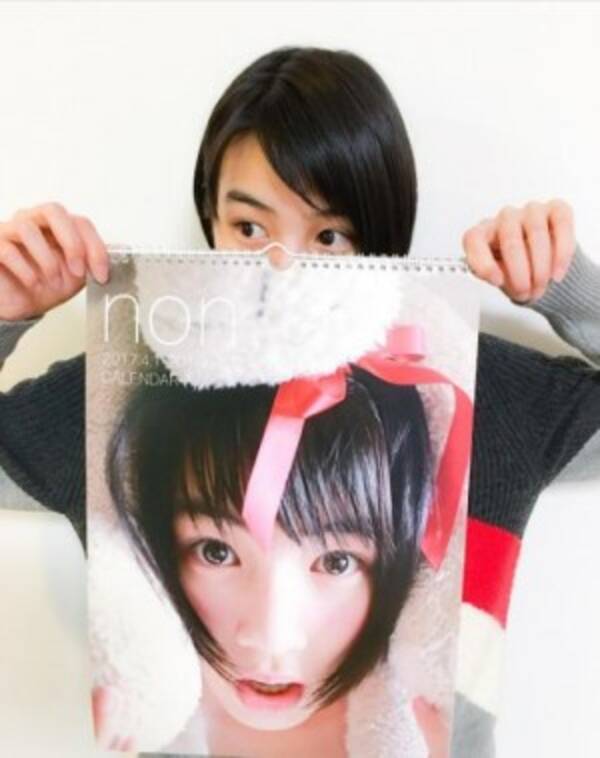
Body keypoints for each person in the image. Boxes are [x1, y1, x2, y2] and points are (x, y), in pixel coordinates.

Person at [1, 46, 599, 757]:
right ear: (209, 217)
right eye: (249, 228)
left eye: (330, 235)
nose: (280, 267)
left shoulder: (472, 389)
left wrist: (571, 291)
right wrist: (6, 312)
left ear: (384, 235)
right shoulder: (127, 394)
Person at [104, 360, 437, 756]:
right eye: (216, 552)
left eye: (337, 562)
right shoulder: (95, 704)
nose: (270, 638)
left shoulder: (450, 725)